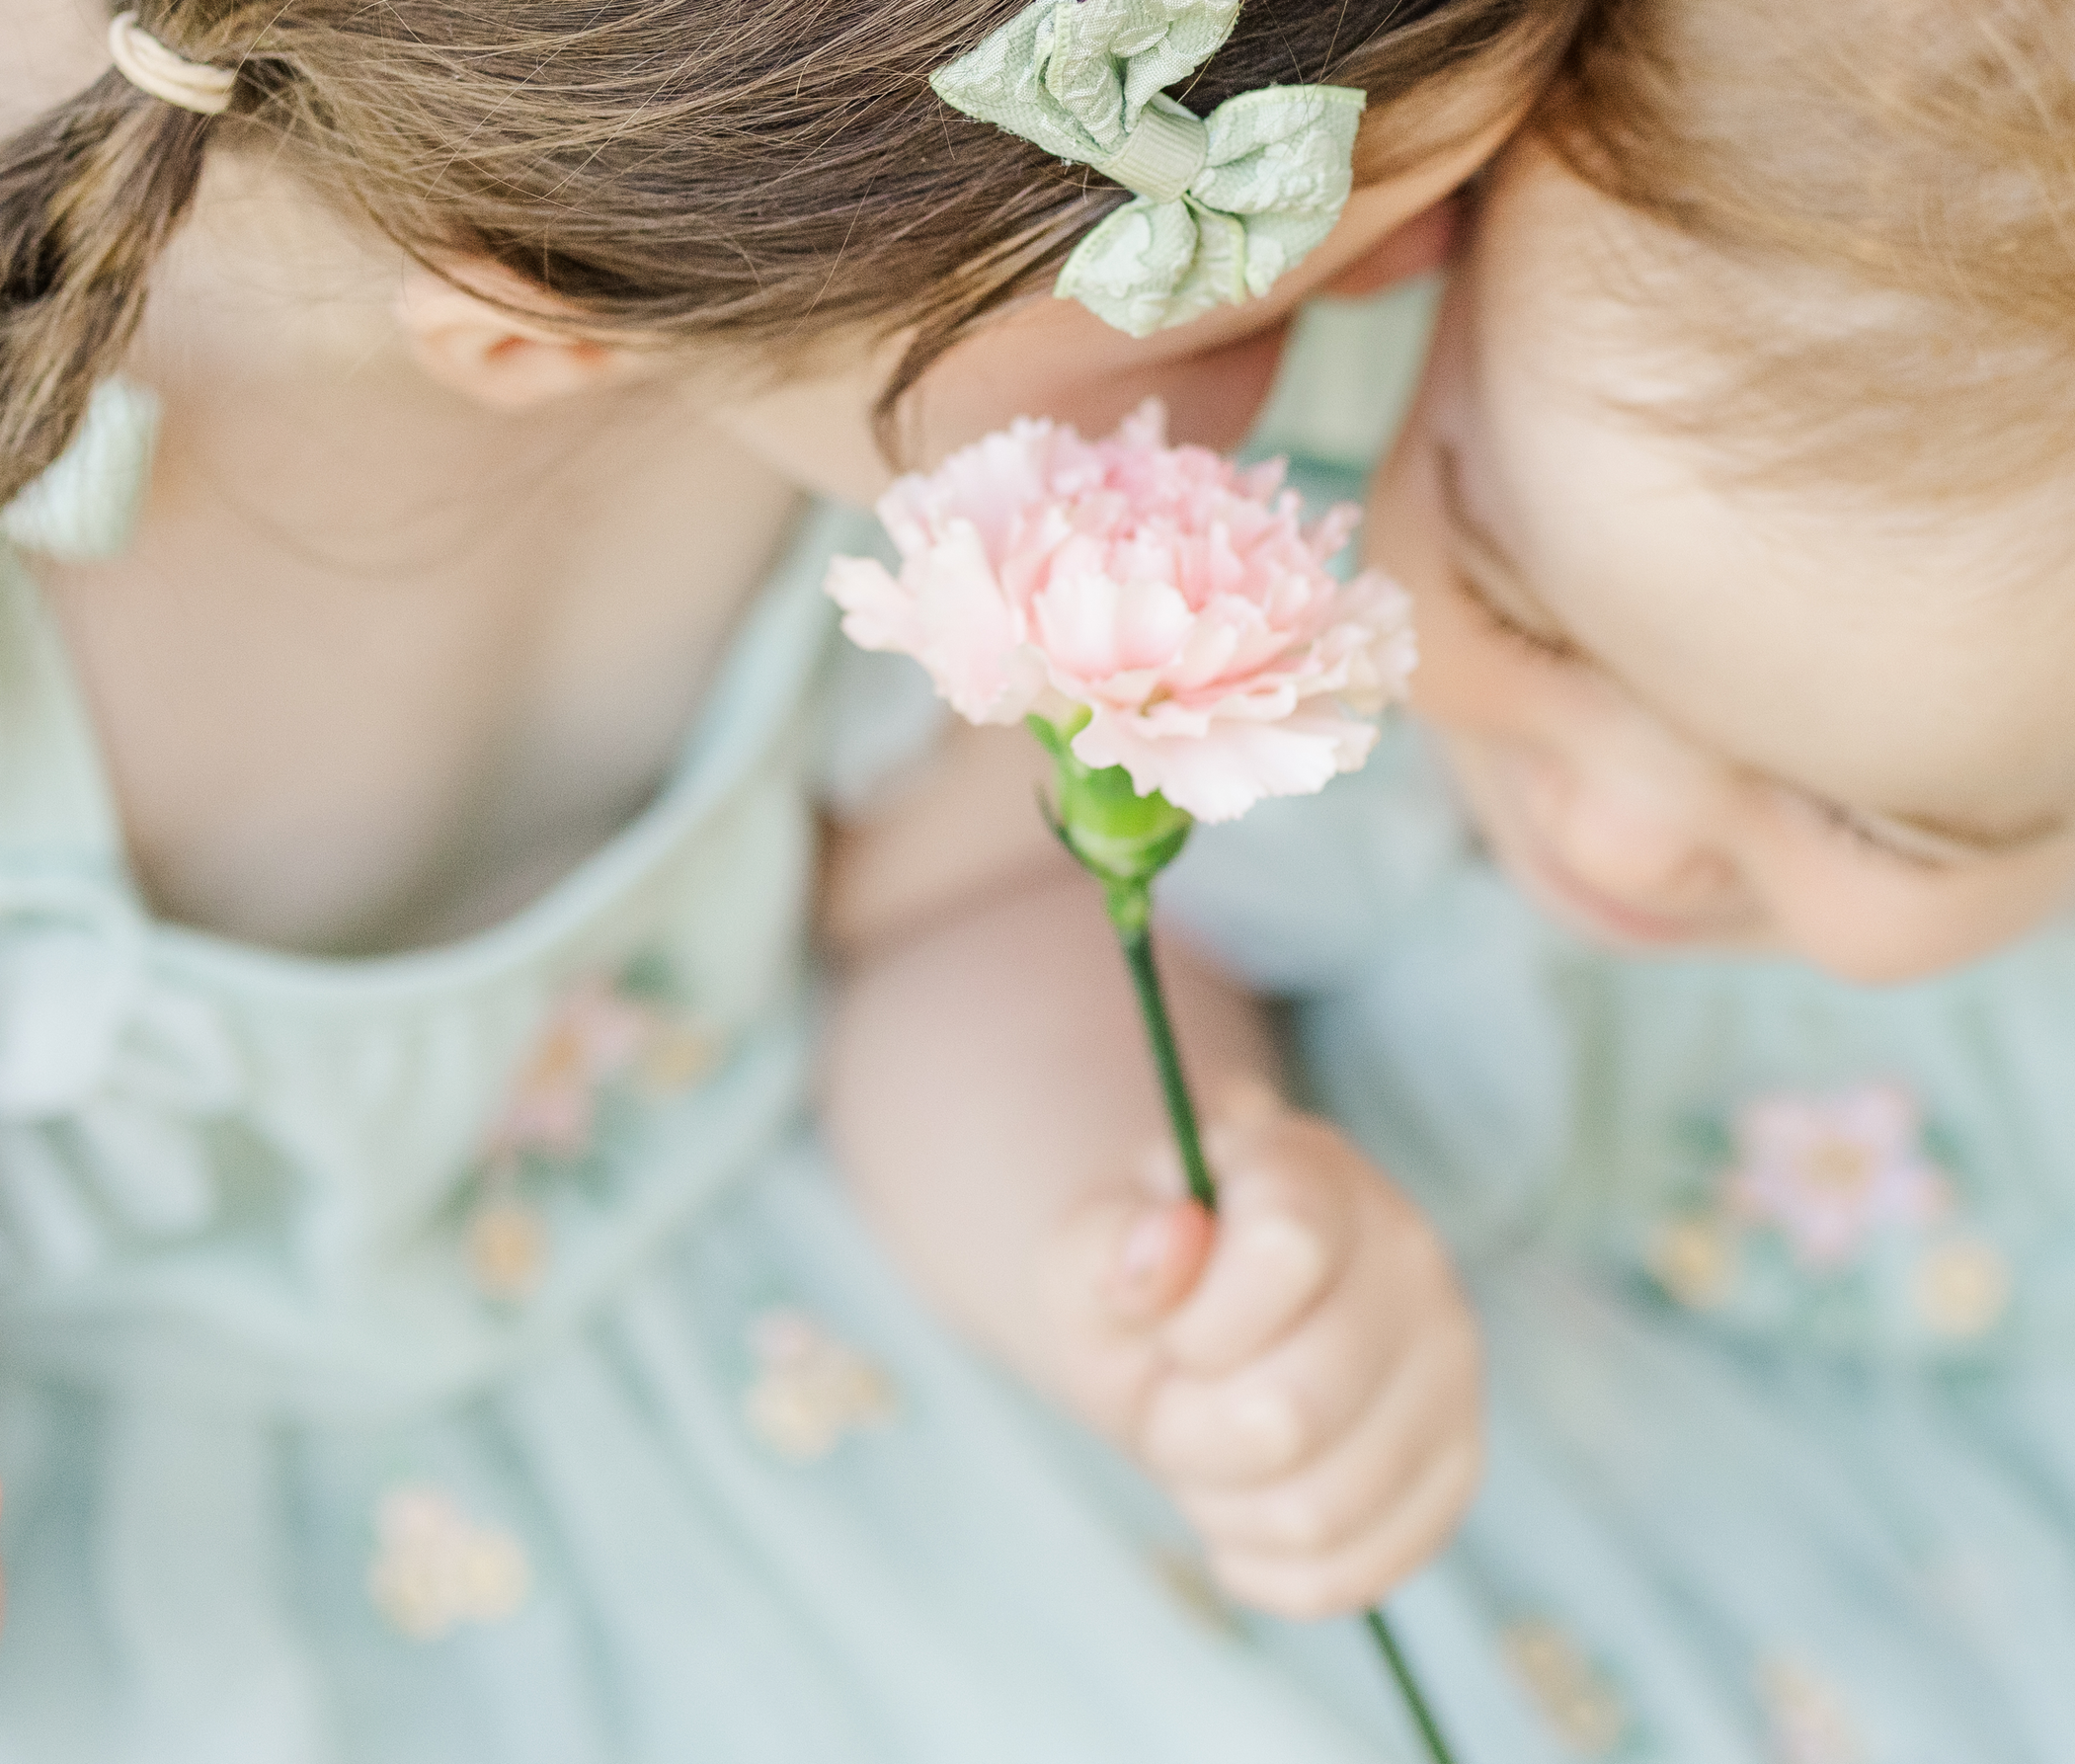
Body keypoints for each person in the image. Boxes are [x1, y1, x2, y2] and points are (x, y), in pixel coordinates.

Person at [857, 0, 2075, 1756]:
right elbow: (954, 925)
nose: (1612, 835)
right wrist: (1136, 1255)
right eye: (1512, 595)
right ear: (1455, 275)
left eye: (1872, 817)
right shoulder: (1290, 578)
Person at [0, 0, 1584, 1754]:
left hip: (809, 1315)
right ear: (542, 321)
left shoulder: (839, 314)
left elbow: (959, 895)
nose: (1437, 279)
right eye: (1269, 288)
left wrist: (1147, 1255)